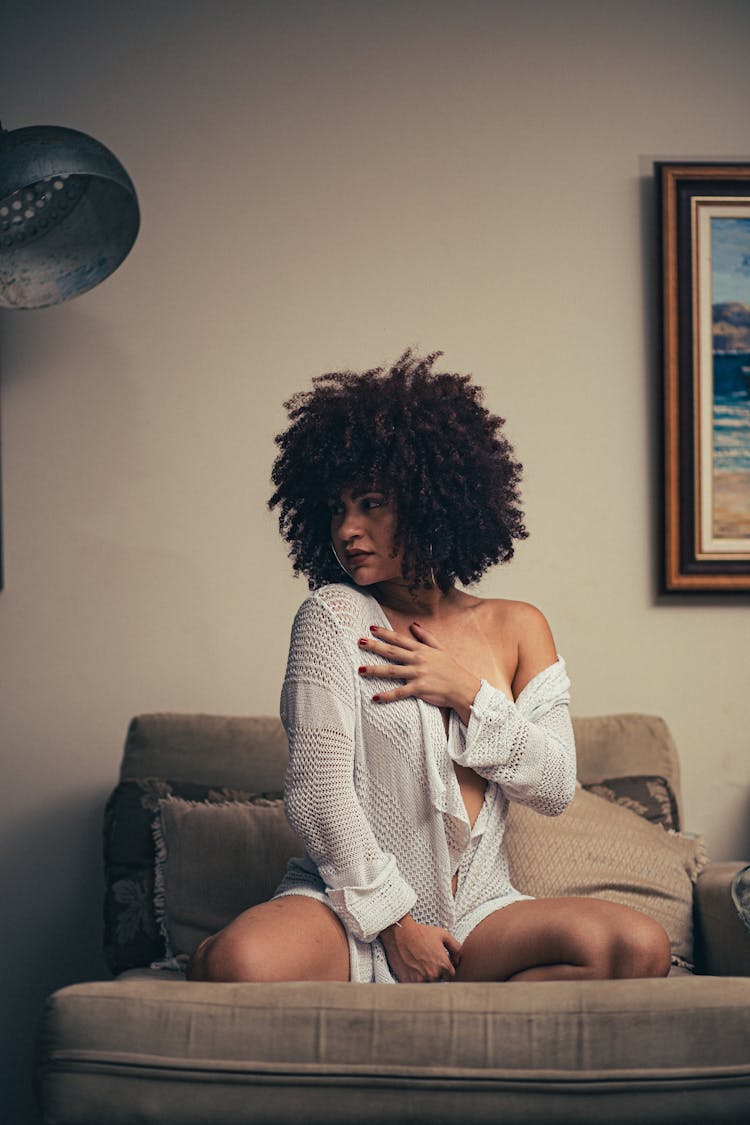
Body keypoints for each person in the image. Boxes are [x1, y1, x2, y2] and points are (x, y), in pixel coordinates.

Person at [188, 350, 671, 985]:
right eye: (336, 509)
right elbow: (316, 794)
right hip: (351, 912)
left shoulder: (518, 626)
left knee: (639, 948)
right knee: (236, 964)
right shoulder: (332, 617)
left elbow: (554, 787)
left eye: (372, 504)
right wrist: (397, 927)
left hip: (477, 912)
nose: (348, 530)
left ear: (429, 501)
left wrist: (468, 693)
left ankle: (462, 993)